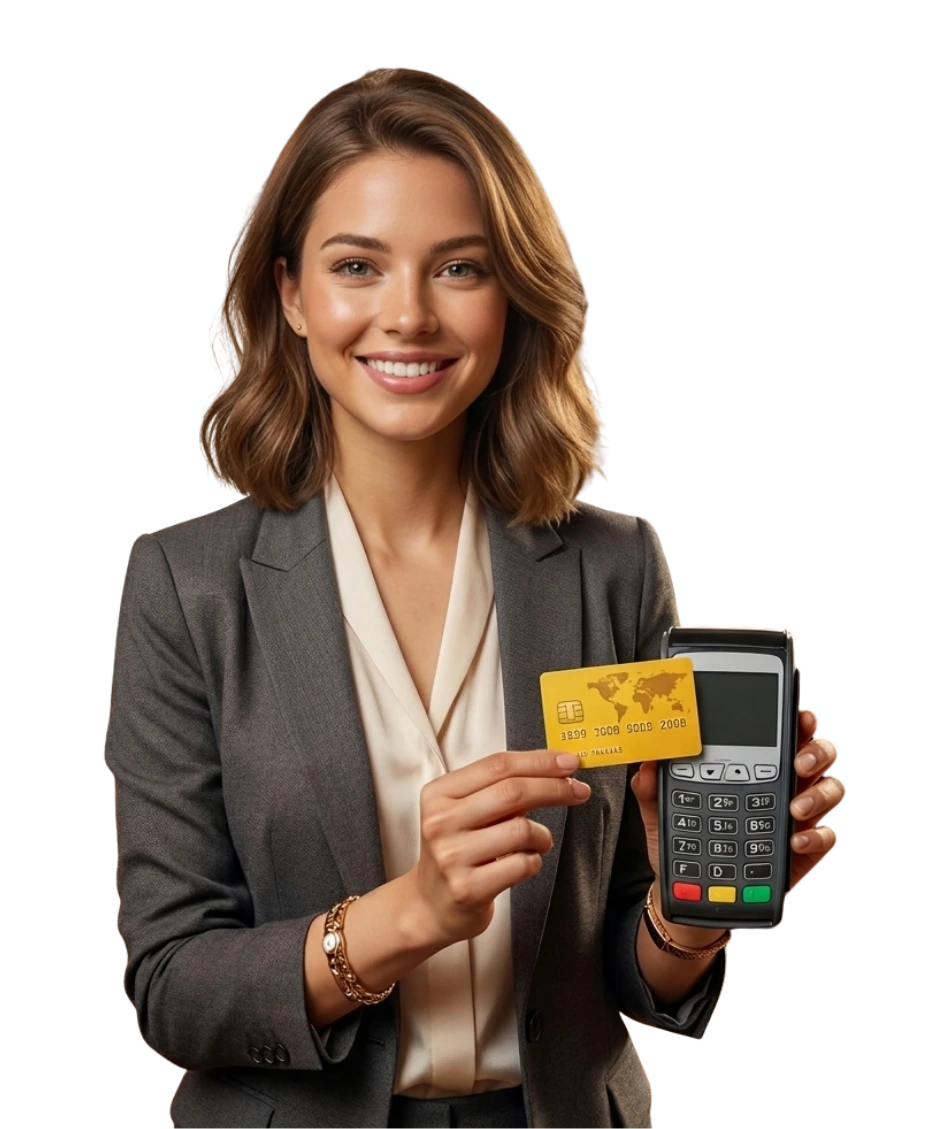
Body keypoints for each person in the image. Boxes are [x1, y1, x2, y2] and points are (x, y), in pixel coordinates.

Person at [105, 66, 843, 1129]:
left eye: (460, 267)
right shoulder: (185, 588)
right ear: (290, 295)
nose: (406, 315)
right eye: (356, 265)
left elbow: (630, 981)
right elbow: (169, 990)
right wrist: (408, 914)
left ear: (513, 297)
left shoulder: (614, 564)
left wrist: (692, 911)